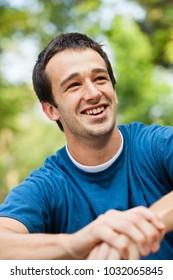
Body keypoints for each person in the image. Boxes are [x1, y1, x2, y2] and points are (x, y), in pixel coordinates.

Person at [0, 32, 173, 260]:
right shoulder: (48, 186)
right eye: (73, 85)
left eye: (100, 79)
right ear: (51, 110)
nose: (93, 93)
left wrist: (138, 230)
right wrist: (76, 243)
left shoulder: (156, 144)